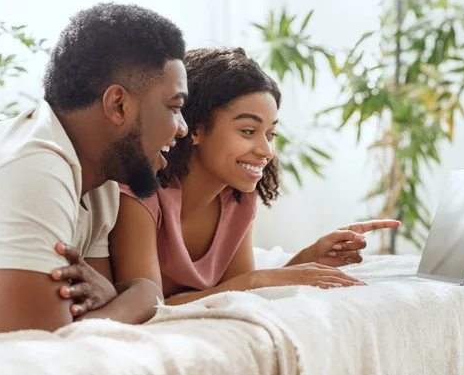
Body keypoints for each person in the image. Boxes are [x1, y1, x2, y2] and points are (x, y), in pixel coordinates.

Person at [107, 47, 400, 307]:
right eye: (248, 131)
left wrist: (309, 258)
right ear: (194, 128)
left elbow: (236, 290)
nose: (266, 150)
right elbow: (148, 309)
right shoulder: (139, 194)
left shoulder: (237, 198)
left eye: (271, 134)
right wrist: (258, 280)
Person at [0, 3, 189, 333]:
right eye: (174, 107)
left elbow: (93, 304)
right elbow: (40, 349)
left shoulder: (100, 186)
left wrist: (143, 292)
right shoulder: (36, 168)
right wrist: (142, 295)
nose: (182, 128)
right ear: (118, 105)